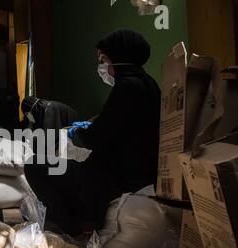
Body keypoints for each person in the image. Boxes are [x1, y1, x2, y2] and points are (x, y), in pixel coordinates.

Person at [25, 29, 161, 236]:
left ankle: (76, 229)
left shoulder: (127, 87)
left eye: (103, 59)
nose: (102, 65)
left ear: (118, 58)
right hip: (133, 172)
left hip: (116, 178)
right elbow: (120, 127)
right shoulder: (149, 84)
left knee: (35, 165)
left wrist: (78, 134)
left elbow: (95, 138)